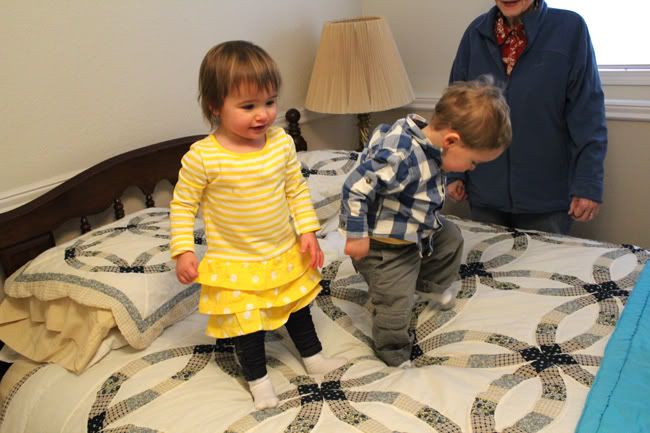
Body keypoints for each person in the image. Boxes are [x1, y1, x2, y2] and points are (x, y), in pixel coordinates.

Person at [170, 40, 346, 410]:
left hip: (282, 249)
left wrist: (308, 231)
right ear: (215, 106)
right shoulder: (203, 157)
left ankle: (313, 356)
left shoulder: (280, 143)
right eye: (248, 106)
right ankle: (259, 381)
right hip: (236, 260)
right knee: (247, 326)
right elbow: (183, 206)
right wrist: (183, 250)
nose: (262, 114)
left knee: (297, 306)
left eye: (269, 102)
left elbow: (296, 189)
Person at [339, 78, 512, 367]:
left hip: (416, 230)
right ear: (451, 141)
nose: (472, 169)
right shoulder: (400, 156)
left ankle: (427, 286)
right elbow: (355, 186)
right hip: (384, 247)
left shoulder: (428, 142)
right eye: (473, 162)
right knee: (395, 303)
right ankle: (393, 354)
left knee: (451, 238)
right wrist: (356, 235)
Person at [446, 0, 607, 235]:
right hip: (484, 194)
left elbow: (588, 114)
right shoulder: (475, 34)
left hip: (547, 201)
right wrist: (454, 172)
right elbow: (456, 108)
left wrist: (588, 183)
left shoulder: (571, 29)